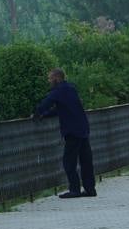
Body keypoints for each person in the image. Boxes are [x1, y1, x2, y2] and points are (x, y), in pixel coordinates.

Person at [32, 68, 95, 198]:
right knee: (86, 160)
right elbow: (61, 109)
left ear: (56, 78)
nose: (49, 81)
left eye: (50, 78)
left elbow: (46, 103)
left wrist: (37, 114)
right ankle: (90, 189)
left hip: (72, 130)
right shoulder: (71, 88)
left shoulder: (58, 90)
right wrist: (47, 115)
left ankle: (74, 190)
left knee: (69, 161)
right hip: (83, 128)